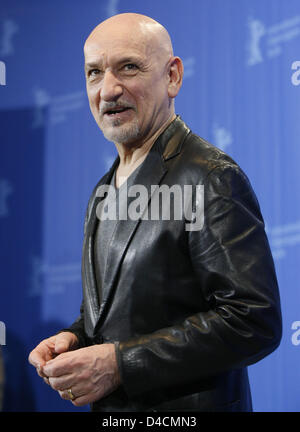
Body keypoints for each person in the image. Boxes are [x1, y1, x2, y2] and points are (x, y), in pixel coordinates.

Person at [28, 13, 282, 412]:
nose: (108, 89)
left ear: (172, 77)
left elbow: (252, 321)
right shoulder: (102, 190)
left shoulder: (210, 176)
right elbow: (113, 313)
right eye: (94, 73)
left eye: (128, 67)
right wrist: (75, 337)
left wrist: (119, 364)